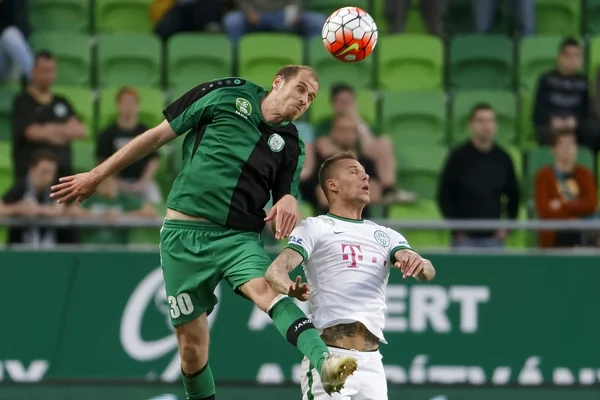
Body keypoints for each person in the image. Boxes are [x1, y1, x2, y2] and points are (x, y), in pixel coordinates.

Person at [50, 66, 358, 399]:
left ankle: (325, 361)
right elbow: (156, 135)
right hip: (182, 237)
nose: (304, 100)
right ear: (278, 82)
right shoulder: (226, 94)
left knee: (269, 292)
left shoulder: (291, 143)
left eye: (311, 97)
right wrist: (96, 175)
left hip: (238, 239)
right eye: (300, 89)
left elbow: (287, 193)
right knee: (192, 350)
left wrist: (287, 202)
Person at [265, 152, 436, 399]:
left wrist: (420, 262)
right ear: (332, 185)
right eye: (354, 171)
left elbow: (427, 273)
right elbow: (275, 271)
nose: (365, 175)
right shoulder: (316, 227)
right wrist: (289, 287)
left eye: (365, 172)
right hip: (330, 358)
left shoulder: (386, 235)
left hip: (372, 362)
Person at [437, 102, 519, 248]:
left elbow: (514, 196)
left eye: (490, 121)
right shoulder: (457, 157)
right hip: (464, 239)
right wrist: (456, 229)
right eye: (481, 121)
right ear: (471, 125)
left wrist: (508, 227)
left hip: (494, 239)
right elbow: (444, 195)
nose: (486, 126)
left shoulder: (503, 158)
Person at [11, 50, 86, 180]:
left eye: (51, 70)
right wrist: (63, 132)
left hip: (63, 176)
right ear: (33, 71)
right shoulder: (23, 101)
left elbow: (81, 130)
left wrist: (49, 131)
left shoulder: (62, 101)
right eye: (44, 70)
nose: (48, 75)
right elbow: (31, 132)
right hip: (30, 178)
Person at [96, 87, 162, 204]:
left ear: (138, 105)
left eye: (132, 102)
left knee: (154, 197)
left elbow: (154, 160)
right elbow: (102, 161)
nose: (129, 106)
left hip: (142, 181)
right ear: (118, 105)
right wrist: (113, 182)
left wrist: (143, 182)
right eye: (125, 102)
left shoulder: (146, 131)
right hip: (116, 181)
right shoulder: (107, 133)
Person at [535, 129, 598, 248]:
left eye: (571, 144)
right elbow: (544, 210)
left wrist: (562, 205)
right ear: (553, 150)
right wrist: (571, 220)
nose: (567, 148)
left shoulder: (585, 174)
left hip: (583, 229)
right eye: (562, 144)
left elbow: (591, 204)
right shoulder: (543, 176)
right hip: (557, 232)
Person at [0, 150, 64, 246]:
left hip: (50, 246)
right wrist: (17, 208)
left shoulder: (55, 188)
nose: (48, 177)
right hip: (21, 247)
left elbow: (59, 210)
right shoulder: (21, 187)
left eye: (52, 173)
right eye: (44, 172)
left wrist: (36, 210)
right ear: (32, 169)